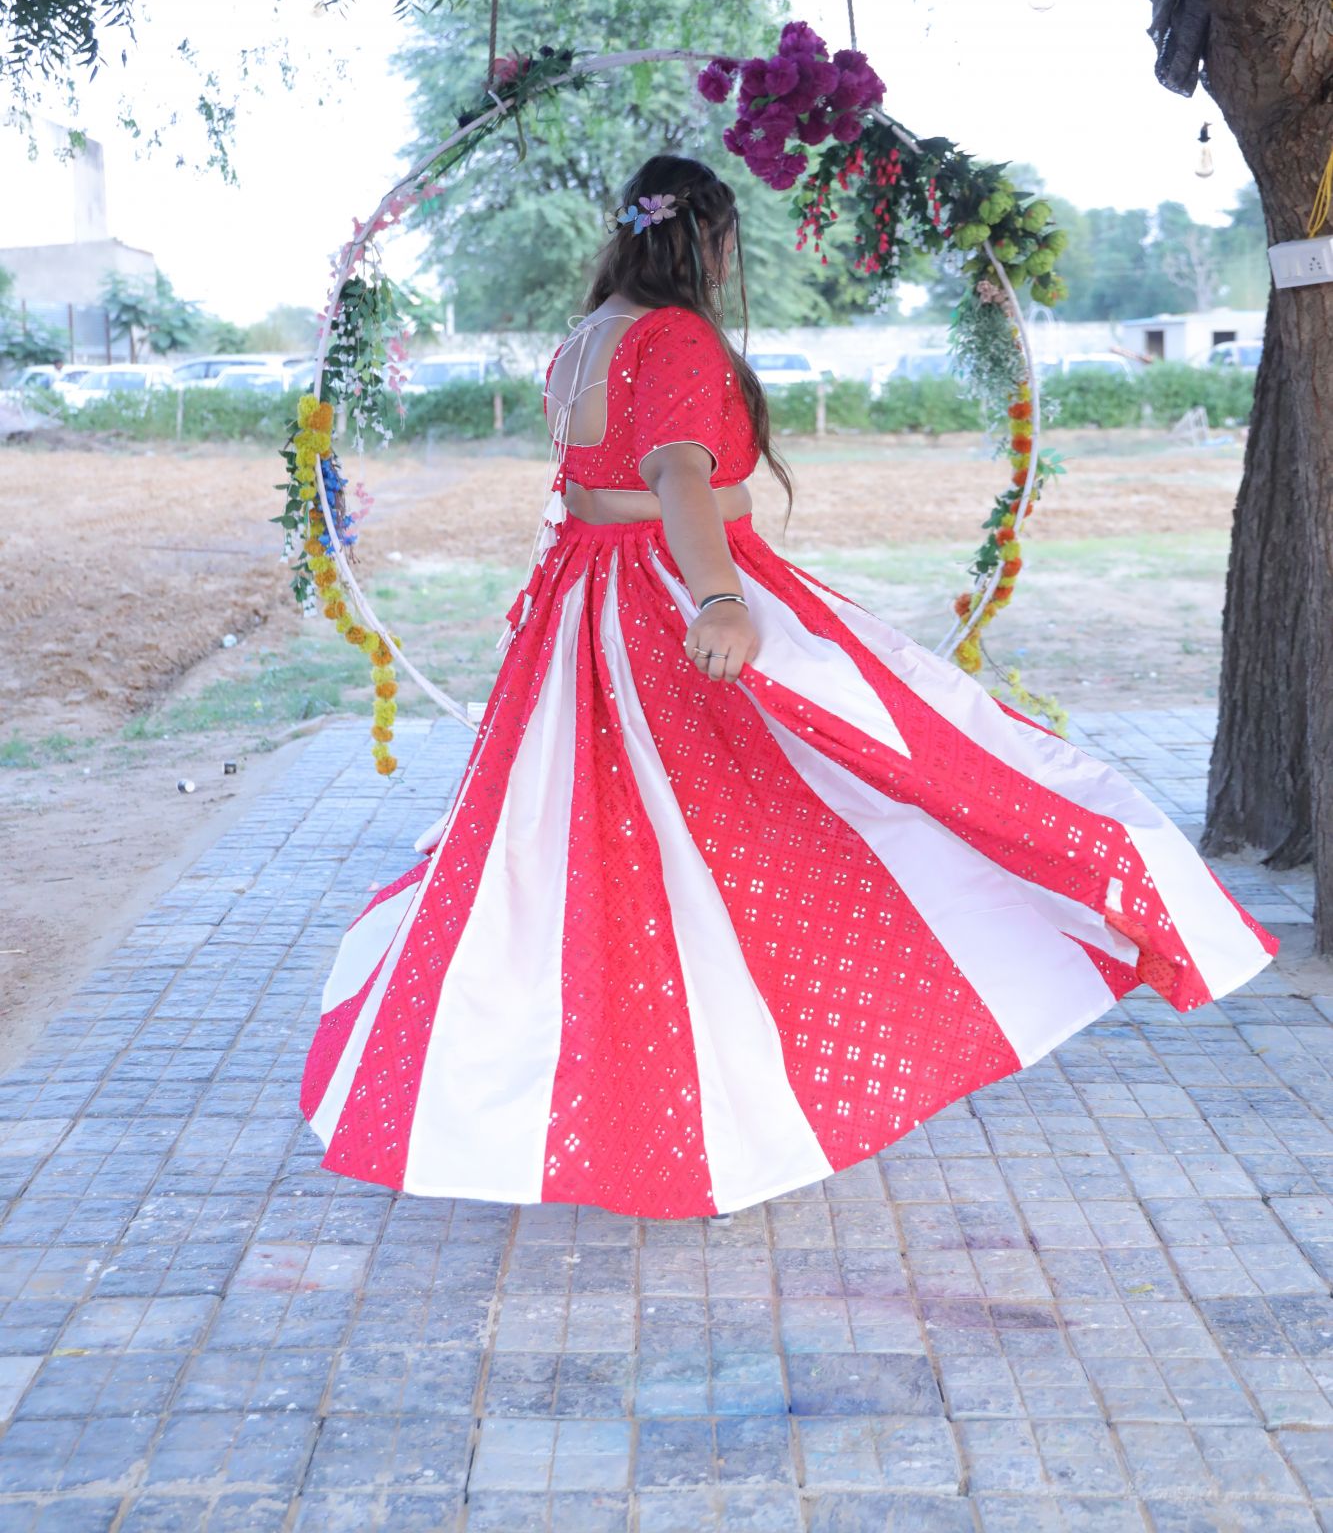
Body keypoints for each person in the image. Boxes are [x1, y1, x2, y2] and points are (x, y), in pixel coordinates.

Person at [300, 153, 1276, 1218]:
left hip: (586, 610)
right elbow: (676, 471)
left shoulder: (581, 340)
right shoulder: (671, 335)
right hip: (665, 599)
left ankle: (663, 1082)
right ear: (703, 239)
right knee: (876, 767)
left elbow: (589, 486)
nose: (730, 262)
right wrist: (719, 598)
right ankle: (827, 1030)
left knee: (624, 845)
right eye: (727, 243)